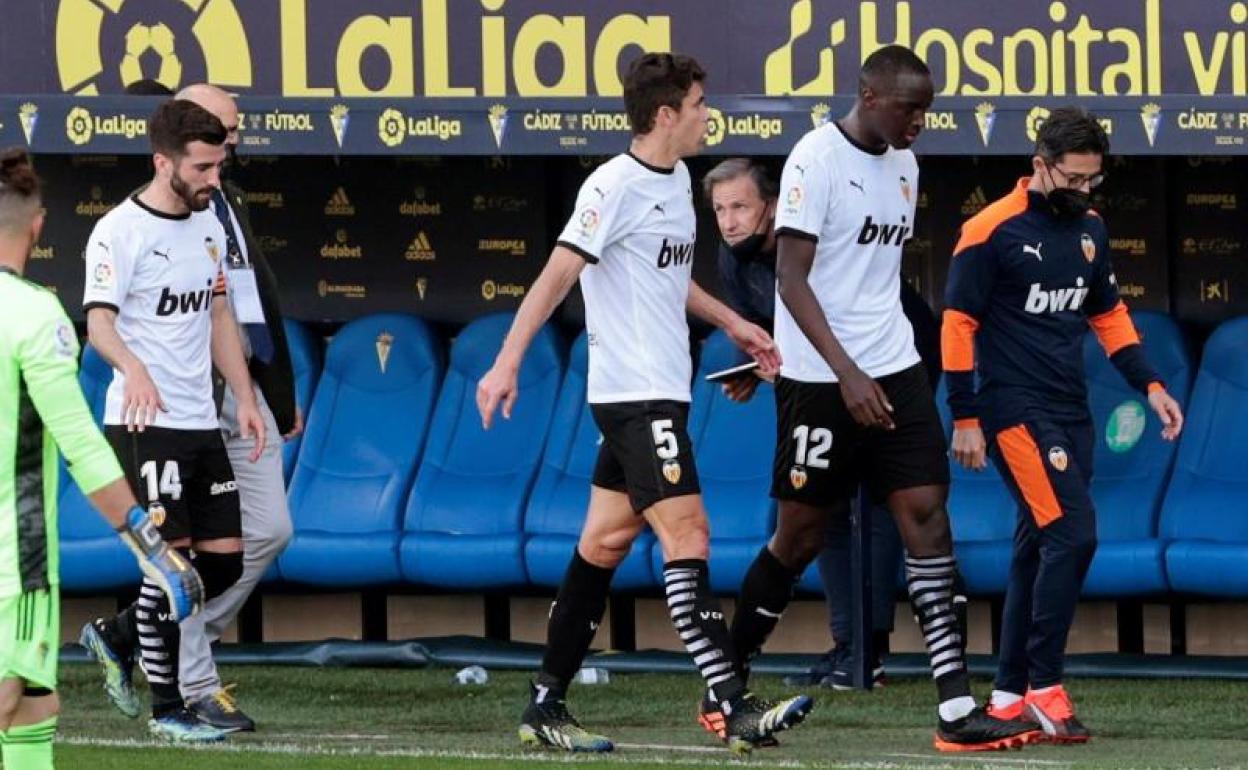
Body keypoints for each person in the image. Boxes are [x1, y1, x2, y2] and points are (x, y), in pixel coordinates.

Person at [476, 52, 812, 756]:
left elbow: (666, 277)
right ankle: (731, 703)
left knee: (602, 543)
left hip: (664, 391)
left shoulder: (680, 179)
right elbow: (556, 275)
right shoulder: (612, 185)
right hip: (634, 398)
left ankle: (545, 703)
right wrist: (506, 362)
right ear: (666, 114)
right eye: (698, 104)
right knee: (689, 536)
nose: (707, 115)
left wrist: (733, 322)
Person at [713, 44, 1038, 752]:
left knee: (927, 518)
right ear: (868, 96)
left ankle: (957, 709)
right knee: (798, 536)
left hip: (895, 366)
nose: (919, 122)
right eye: (909, 108)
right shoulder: (815, 159)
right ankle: (726, 686)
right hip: (820, 380)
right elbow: (791, 280)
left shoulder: (905, 164)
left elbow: (873, 277)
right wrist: (846, 373)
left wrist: (878, 369)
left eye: (927, 110)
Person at [943, 106, 1184, 742]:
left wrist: (1151, 385)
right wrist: (965, 415)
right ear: (1040, 166)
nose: (1081, 190)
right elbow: (958, 324)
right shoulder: (990, 229)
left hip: (1070, 409)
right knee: (1073, 536)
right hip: (1013, 410)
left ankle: (1006, 698)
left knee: (1037, 546)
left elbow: (1107, 314)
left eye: (1091, 180)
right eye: (1072, 178)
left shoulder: (1091, 228)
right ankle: (1045, 687)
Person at [702, 158, 943, 693]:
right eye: (719, 210)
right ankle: (848, 646)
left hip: (895, 362)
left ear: (773, 206)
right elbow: (766, 330)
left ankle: (871, 650)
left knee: (882, 500)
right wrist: (752, 368)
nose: (729, 221)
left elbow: (847, 321)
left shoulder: (811, 242)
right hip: (819, 380)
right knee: (821, 510)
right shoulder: (733, 258)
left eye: (740, 206)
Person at [0, 146, 203, 769]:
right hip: (13, 565)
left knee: (34, 709)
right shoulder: (35, 315)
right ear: (38, 226)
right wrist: (153, 548)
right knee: (9, 697)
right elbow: (82, 447)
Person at [76, 99, 265, 743]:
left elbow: (217, 315)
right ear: (164, 162)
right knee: (170, 571)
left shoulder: (210, 222)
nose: (215, 178)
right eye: (203, 167)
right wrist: (132, 366)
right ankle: (168, 711)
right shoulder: (119, 231)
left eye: (219, 165)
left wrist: (244, 397)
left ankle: (116, 634)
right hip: (143, 423)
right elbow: (99, 323)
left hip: (200, 422)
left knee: (225, 566)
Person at [171, 83, 300, 734]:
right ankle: (192, 676)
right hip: (191, 399)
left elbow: (254, 299)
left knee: (271, 528)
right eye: (225, 130)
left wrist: (277, 395)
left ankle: (158, 637)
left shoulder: (229, 196)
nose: (236, 140)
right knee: (199, 544)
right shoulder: (158, 214)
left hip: (245, 389)